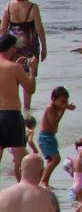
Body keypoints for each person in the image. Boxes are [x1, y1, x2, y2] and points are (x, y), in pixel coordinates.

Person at [1, 0, 46, 110]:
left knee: (12, 72)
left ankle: (12, 103)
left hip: (12, 44)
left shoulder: (9, 6)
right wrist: (44, 46)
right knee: (28, 73)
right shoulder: (33, 7)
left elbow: (3, 28)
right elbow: (39, 29)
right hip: (30, 44)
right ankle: (27, 107)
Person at [0, 32, 37, 182]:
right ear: (9, 48)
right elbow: (30, 88)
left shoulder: (15, 67)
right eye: (14, 48)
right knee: (21, 159)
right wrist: (32, 70)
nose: (15, 51)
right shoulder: (14, 67)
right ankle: (24, 189)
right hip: (11, 115)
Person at [38, 85, 74, 188]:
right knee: (56, 159)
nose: (63, 104)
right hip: (45, 138)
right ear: (53, 99)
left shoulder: (56, 106)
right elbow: (54, 123)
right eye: (62, 101)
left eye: (65, 102)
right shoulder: (50, 108)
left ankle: (43, 181)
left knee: (50, 160)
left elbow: (60, 107)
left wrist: (67, 107)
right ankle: (43, 181)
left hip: (50, 137)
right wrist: (63, 110)